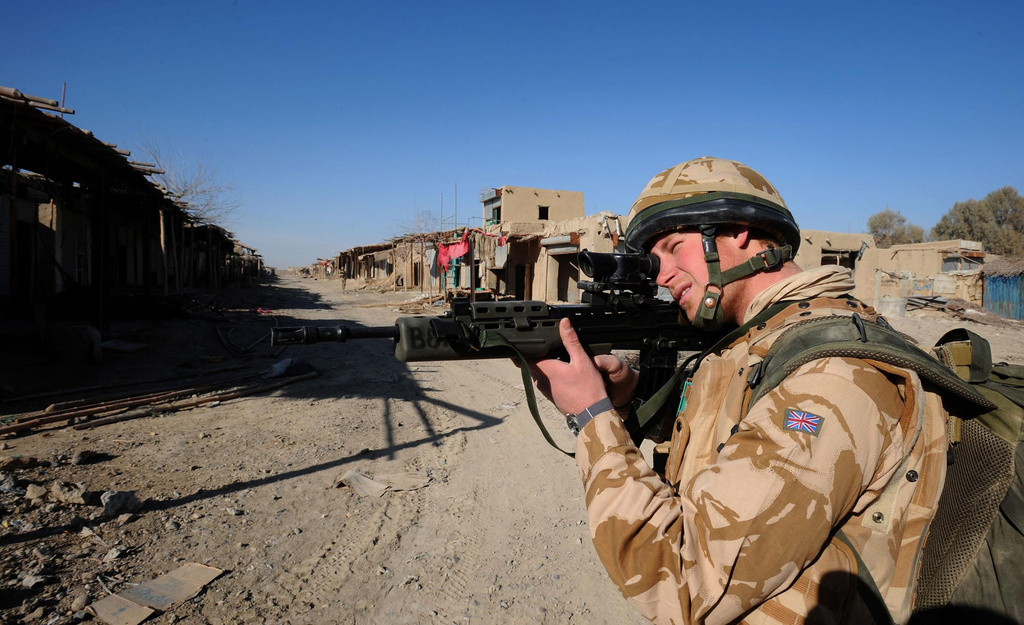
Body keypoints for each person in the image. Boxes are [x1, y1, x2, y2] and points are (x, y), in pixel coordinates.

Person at [530, 157, 947, 624]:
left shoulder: (830, 376)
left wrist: (592, 415)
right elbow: (739, 433)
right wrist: (628, 395)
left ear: (741, 233)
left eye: (673, 247)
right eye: (654, 258)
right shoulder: (761, 339)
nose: (661, 274)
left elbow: (682, 577)